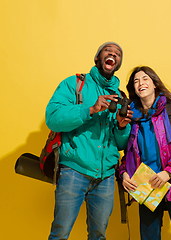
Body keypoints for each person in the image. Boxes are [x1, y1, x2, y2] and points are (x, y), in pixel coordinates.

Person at [45, 42, 132, 240]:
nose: (113, 54)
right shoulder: (75, 83)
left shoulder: (121, 96)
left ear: (118, 64)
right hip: (74, 171)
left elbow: (120, 145)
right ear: (97, 58)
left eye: (117, 53)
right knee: (60, 233)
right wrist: (90, 109)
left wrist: (121, 126)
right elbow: (53, 118)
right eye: (107, 51)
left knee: (99, 236)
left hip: (106, 177)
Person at [119, 66, 171, 240]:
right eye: (136, 81)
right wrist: (124, 174)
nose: (140, 83)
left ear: (154, 84)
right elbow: (128, 155)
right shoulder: (132, 119)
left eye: (145, 79)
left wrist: (169, 172)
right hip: (146, 187)